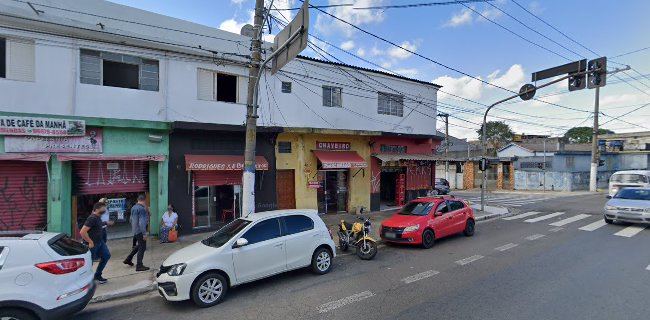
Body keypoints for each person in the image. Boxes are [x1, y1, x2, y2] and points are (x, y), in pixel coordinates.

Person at [80, 202, 113, 284]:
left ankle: (97, 275)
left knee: (106, 256)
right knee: (89, 263)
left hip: (100, 242)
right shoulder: (92, 218)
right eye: (103, 208)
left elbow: (98, 224)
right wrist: (90, 242)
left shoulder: (98, 217)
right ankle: (84, 281)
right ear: (97, 209)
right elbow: (82, 232)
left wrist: (106, 223)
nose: (105, 210)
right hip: (92, 244)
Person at [124, 194, 150, 271]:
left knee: (139, 245)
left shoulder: (133, 207)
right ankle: (139, 265)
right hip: (140, 230)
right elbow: (142, 223)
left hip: (135, 230)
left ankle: (128, 259)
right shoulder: (141, 209)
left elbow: (130, 219)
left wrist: (134, 227)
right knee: (142, 247)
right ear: (144, 200)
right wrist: (144, 233)